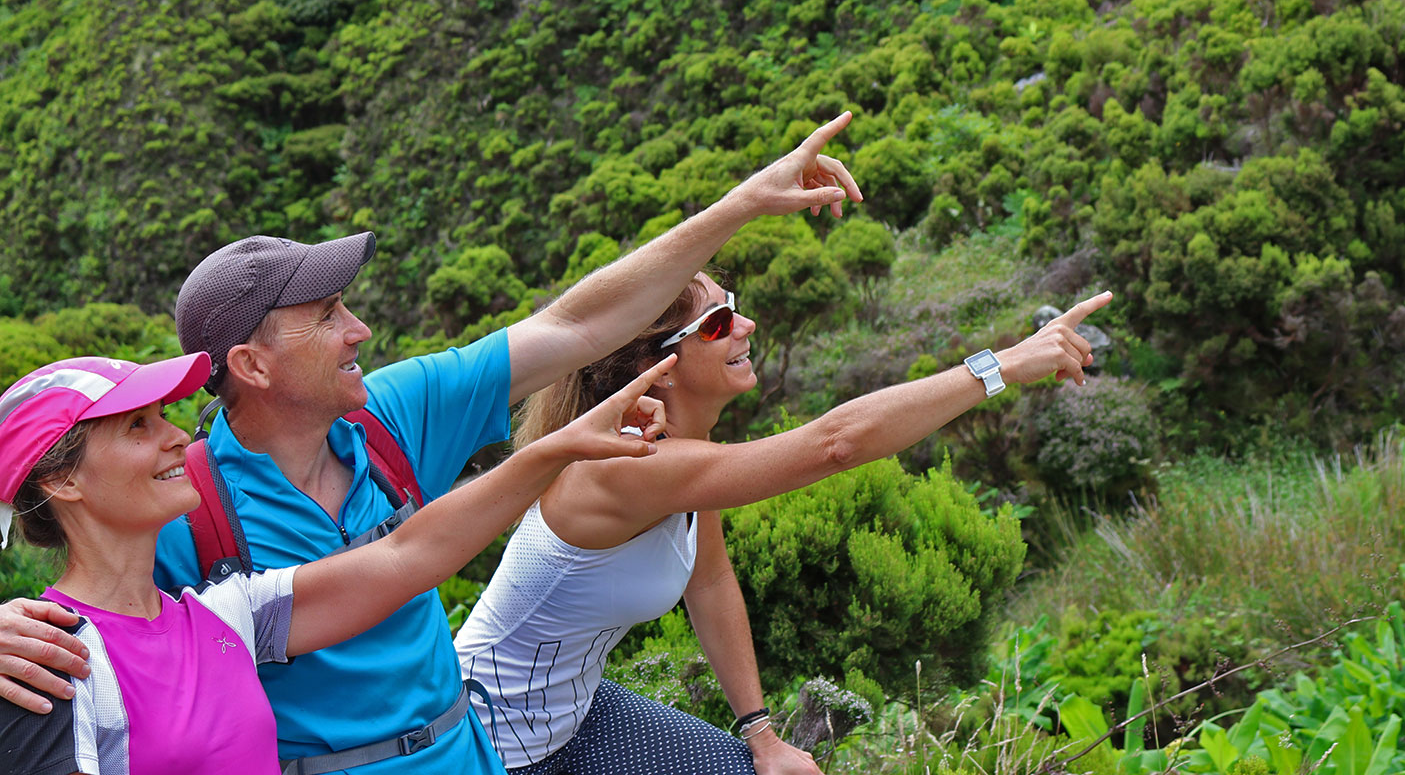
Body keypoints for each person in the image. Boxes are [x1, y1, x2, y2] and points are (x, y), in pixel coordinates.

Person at [0, 114, 863, 775]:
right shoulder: (187, 506)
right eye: (327, 316)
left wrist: (744, 202)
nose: (359, 330)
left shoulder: (391, 414)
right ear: (251, 365)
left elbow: (576, 323)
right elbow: (96, 609)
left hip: (472, 749)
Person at [455, 274, 1112, 775]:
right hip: (484, 743)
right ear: (653, 367)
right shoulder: (629, 468)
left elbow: (708, 581)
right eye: (716, 324)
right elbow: (838, 444)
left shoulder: (686, 452)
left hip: (577, 715)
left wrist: (761, 732)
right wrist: (997, 368)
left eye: (732, 304)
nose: (746, 325)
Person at [0, 348, 674, 774]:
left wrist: (560, 448)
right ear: (63, 481)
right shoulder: (51, 662)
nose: (179, 437)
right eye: (138, 426)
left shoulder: (229, 617)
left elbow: (410, 555)